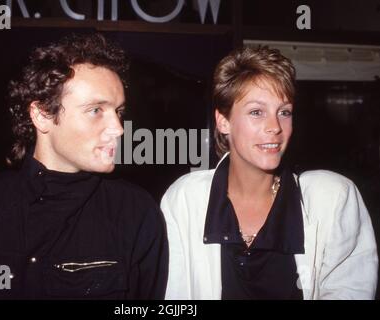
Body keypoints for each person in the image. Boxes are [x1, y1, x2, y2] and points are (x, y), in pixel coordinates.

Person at [0, 33, 168, 299]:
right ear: (42, 115)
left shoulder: (136, 213)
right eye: (96, 110)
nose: (118, 129)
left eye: (119, 111)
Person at [161, 46, 378, 300]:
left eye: (284, 112)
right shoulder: (186, 199)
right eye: (256, 112)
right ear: (223, 121)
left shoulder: (331, 199)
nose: (275, 127)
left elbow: (351, 290)